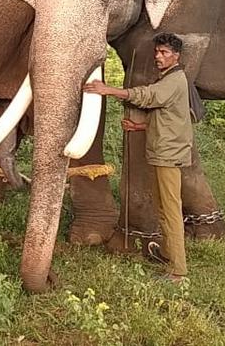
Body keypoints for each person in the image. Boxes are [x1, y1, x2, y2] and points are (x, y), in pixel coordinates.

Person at [83, 32, 192, 283]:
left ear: (176, 56)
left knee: (170, 210)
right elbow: (170, 117)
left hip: (168, 156)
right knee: (163, 208)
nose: (158, 57)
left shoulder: (174, 80)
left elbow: (148, 96)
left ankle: (177, 272)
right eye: (157, 52)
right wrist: (139, 128)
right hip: (161, 152)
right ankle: (167, 253)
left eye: (164, 53)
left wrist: (107, 90)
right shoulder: (170, 79)